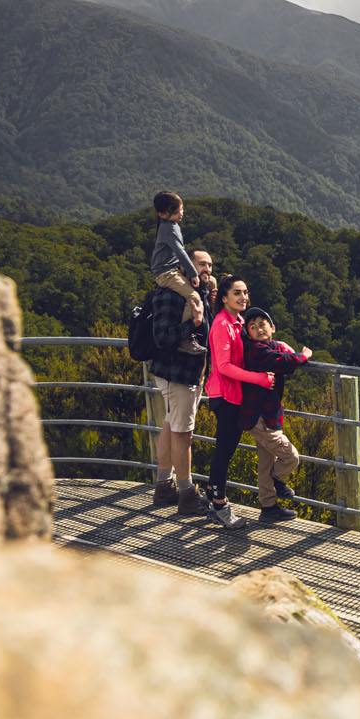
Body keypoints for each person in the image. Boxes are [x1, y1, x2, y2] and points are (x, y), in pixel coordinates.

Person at [147, 248, 216, 512]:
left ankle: (164, 487)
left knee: (170, 424)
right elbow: (163, 337)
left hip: (188, 373)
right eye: (201, 264)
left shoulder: (197, 294)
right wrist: (192, 324)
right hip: (177, 373)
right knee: (183, 433)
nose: (207, 269)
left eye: (210, 264)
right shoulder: (172, 294)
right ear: (185, 265)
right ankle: (187, 494)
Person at [202, 274, 273, 529]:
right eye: (237, 293)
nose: (244, 297)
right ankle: (219, 505)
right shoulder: (222, 324)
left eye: (245, 292)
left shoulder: (238, 321)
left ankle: (211, 492)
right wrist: (258, 379)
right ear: (224, 298)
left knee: (226, 449)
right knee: (224, 450)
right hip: (225, 395)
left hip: (235, 395)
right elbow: (223, 366)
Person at [239, 307, 312, 523]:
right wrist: (303, 356)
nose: (258, 329)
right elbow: (283, 362)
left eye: (262, 324)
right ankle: (277, 479)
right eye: (252, 327)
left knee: (265, 462)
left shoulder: (270, 347)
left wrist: (284, 347)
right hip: (260, 419)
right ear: (248, 334)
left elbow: (278, 352)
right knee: (290, 457)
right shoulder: (255, 352)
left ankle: (268, 507)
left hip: (266, 416)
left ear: (272, 328)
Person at [150, 190, 206, 355]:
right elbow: (180, 252)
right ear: (162, 214)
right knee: (194, 297)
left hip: (170, 269)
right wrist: (193, 273)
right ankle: (185, 338)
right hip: (166, 274)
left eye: (181, 209)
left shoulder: (170, 226)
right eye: (177, 211)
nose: (181, 213)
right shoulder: (170, 228)